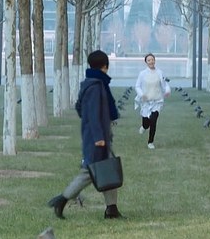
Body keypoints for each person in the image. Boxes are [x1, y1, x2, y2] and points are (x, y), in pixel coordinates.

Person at [48, 50, 122, 219]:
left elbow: (80, 108)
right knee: (89, 172)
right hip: (97, 138)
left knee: (108, 169)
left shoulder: (92, 83)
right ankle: (62, 199)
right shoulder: (95, 86)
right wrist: (98, 137)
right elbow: (93, 113)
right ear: (105, 66)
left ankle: (112, 209)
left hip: (98, 135)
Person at [134, 53, 171, 149]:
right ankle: (144, 127)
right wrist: (142, 95)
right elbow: (137, 86)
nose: (151, 62)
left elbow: (165, 84)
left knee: (153, 121)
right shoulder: (142, 74)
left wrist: (167, 91)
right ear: (146, 62)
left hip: (157, 101)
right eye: (149, 60)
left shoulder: (160, 72)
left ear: (155, 61)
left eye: (152, 60)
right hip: (146, 102)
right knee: (146, 123)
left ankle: (150, 142)